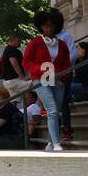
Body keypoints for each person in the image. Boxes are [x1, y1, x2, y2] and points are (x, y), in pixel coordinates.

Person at [23, 10, 71, 152]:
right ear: (41, 26)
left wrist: (63, 76)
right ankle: (56, 144)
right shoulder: (35, 43)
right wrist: (41, 70)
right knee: (52, 110)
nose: (48, 28)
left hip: (58, 81)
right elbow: (26, 62)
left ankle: (50, 143)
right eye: (45, 25)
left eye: (51, 25)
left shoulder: (62, 45)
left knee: (55, 112)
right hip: (41, 80)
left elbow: (66, 63)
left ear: (56, 26)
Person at [48, 7, 80, 141]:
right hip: (49, 75)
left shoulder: (65, 36)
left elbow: (74, 54)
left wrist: (60, 67)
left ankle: (67, 129)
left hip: (64, 75)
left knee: (63, 103)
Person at [0, 32, 28, 98]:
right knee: (37, 85)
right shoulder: (11, 50)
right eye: (18, 41)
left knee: (14, 100)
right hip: (14, 80)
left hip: (8, 81)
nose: (20, 42)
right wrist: (23, 77)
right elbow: (15, 64)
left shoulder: (7, 50)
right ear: (12, 40)